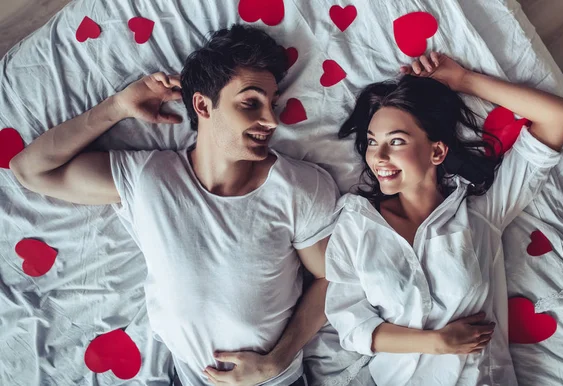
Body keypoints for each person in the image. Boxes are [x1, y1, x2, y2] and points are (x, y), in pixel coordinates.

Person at [10, 24, 339, 386]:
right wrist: (118, 106)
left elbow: (331, 279)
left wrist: (276, 361)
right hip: (188, 377)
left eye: (272, 104)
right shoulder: (150, 178)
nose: (270, 120)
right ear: (202, 105)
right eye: (250, 102)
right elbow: (30, 169)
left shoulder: (298, 187)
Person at [324, 52, 563, 385]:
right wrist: (436, 343)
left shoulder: (482, 214)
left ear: (437, 152)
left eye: (396, 141)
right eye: (372, 142)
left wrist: (463, 80)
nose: (379, 157)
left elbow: (559, 116)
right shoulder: (355, 224)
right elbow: (351, 324)